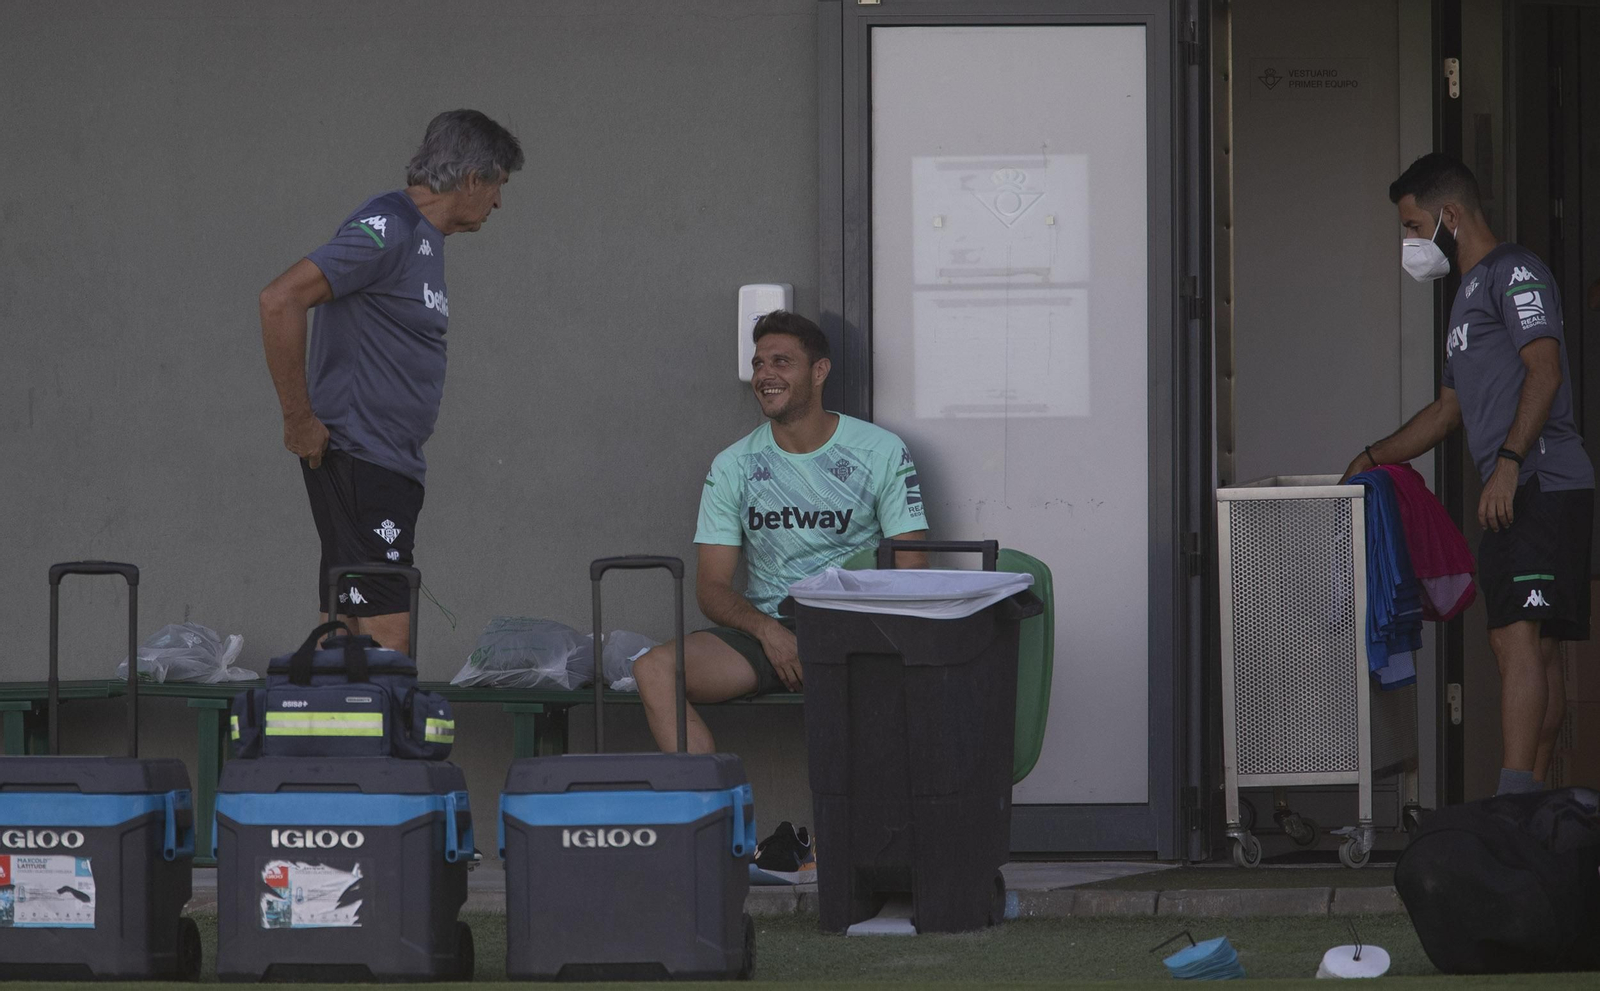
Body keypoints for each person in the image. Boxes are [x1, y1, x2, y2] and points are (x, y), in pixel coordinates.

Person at [1341, 153, 1594, 795]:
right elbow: (1448, 411)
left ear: (1450, 215)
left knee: (1516, 642)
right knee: (1529, 648)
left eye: (1412, 225)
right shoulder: (1464, 297)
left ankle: (1515, 804)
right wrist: (1374, 456)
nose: (1409, 242)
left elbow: (1546, 369)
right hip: (1524, 490)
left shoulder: (1514, 272)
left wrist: (1507, 465)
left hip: (1540, 483)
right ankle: (1532, 806)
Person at [259, 110, 524, 656]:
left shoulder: (424, 238)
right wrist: (298, 420)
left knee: (346, 635)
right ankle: (383, 741)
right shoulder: (390, 227)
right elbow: (280, 299)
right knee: (388, 641)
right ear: (473, 177)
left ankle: (336, 737)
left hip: (386, 466)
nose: (499, 203)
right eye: (499, 185)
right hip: (361, 458)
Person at [632, 311, 930, 753]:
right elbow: (711, 588)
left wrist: (845, 637)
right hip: (766, 631)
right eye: (758, 364)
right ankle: (711, 814)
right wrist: (768, 633)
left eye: (781, 362)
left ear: (819, 371)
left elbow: (912, 567)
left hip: (854, 631)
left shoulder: (879, 450)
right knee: (654, 670)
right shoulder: (733, 465)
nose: (765, 375)